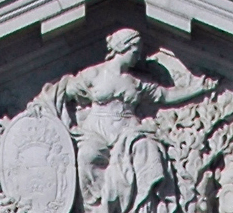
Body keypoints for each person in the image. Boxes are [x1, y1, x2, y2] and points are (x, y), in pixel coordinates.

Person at [58, 28, 212, 213]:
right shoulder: (94, 74)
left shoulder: (136, 81)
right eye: (134, 51)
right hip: (97, 130)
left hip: (127, 130)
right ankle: (94, 207)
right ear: (122, 47)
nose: (137, 57)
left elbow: (166, 95)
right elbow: (66, 92)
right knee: (86, 156)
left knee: (147, 148)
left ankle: (141, 206)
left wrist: (197, 89)